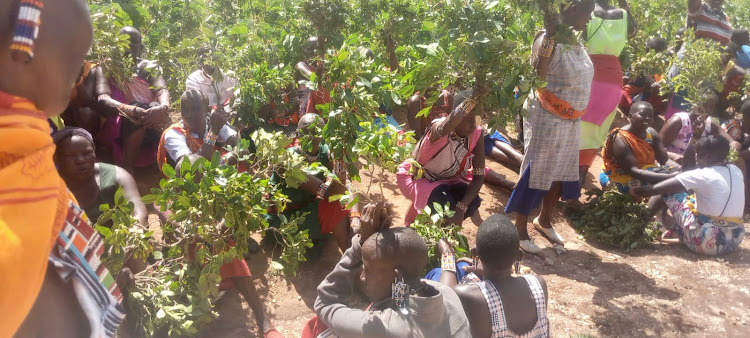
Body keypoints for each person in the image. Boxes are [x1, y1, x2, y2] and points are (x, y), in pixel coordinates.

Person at [0, 0, 128, 336]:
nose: (79, 70)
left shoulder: (27, 137)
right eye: (73, 59)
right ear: (24, 49)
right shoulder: (19, 152)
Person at [504, 0, 595, 254]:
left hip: (570, 120)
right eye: (587, 13)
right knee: (538, 171)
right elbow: (538, 77)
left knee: (561, 171)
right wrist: (550, 38)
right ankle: (519, 230)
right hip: (548, 117)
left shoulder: (574, 39)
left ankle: (543, 221)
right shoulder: (547, 38)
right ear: (573, 7)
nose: (589, 19)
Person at [308, 202, 472, 337]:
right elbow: (443, 281)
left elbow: (324, 303)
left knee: (321, 328)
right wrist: (448, 256)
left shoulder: (383, 328)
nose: (363, 277)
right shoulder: (448, 295)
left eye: (368, 270)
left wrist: (362, 241)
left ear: (398, 278)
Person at [435, 214, 550, 338]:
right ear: (519, 256)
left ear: (475, 254)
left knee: (436, 274)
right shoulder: (539, 284)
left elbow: (444, 296)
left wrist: (447, 254)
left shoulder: (468, 295)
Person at [633, 135, 745, 256]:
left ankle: (637, 229)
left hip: (706, 243)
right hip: (734, 240)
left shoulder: (702, 174)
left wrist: (636, 191)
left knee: (669, 192)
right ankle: (672, 229)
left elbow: (653, 190)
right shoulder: (735, 169)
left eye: (699, 153)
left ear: (710, 156)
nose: (696, 157)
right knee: (690, 198)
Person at [266, 113, 361, 252]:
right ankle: (352, 257)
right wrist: (340, 161)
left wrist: (355, 218)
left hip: (306, 208)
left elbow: (347, 185)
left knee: (349, 205)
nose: (313, 137)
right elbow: (330, 193)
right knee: (334, 205)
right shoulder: (287, 162)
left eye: (317, 132)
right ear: (298, 133)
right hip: (284, 221)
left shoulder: (324, 151)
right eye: (307, 132)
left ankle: (353, 251)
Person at [397, 89, 485, 226]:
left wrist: (461, 209)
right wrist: (471, 100)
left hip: (449, 179)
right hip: (418, 177)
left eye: (477, 118)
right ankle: (421, 228)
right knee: (443, 200)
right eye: (468, 118)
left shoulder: (476, 132)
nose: (473, 124)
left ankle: (438, 226)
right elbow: (445, 126)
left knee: (472, 201)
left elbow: (479, 176)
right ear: (456, 116)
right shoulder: (439, 129)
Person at [578, 0, 637, 189]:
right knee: (593, 136)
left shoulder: (586, 12)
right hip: (613, 84)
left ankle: (563, 186)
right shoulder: (623, 15)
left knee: (574, 131)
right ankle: (577, 184)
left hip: (588, 77)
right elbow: (634, 31)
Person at [96, 26, 171, 173]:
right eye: (125, 41)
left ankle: (168, 167)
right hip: (118, 120)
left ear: (141, 46)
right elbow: (103, 98)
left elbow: (162, 90)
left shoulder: (148, 66)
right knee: (137, 109)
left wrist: (163, 107)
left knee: (156, 106)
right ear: (116, 44)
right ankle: (127, 169)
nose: (129, 45)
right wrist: (133, 110)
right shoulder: (107, 66)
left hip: (150, 117)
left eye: (134, 42)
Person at [53, 127, 148, 227]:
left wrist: (133, 233)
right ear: (57, 158)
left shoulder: (117, 176)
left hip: (121, 240)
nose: (80, 160)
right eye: (71, 156)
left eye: (87, 153)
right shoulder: (47, 187)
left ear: (94, 151)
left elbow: (140, 214)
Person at [600, 102, 677, 193]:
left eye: (650, 116)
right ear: (630, 116)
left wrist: (679, 170)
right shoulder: (620, 138)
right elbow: (633, 171)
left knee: (676, 176)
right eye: (642, 114)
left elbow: (664, 160)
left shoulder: (651, 133)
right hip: (618, 175)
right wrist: (671, 177)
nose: (647, 118)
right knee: (664, 186)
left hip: (646, 170)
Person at [157, 89, 238, 171]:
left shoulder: (213, 122)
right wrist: (213, 132)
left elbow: (235, 143)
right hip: (193, 178)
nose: (188, 115)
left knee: (241, 152)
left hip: (216, 168)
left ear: (208, 110)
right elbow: (189, 167)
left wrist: (222, 162)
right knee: (194, 165)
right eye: (185, 109)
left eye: (195, 109)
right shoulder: (173, 133)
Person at [660, 92, 740, 163]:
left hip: (698, 167)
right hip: (674, 164)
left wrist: (734, 149)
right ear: (694, 104)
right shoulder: (679, 121)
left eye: (711, 107)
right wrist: (674, 156)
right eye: (704, 106)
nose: (707, 110)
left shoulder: (709, 123)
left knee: (739, 162)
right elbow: (656, 147)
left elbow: (733, 142)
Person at [296, 37, 323, 116]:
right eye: (310, 49)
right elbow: (314, 79)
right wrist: (320, 68)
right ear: (304, 51)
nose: (314, 52)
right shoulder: (301, 66)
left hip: (319, 107)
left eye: (317, 49)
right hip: (304, 109)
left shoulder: (325, 67)